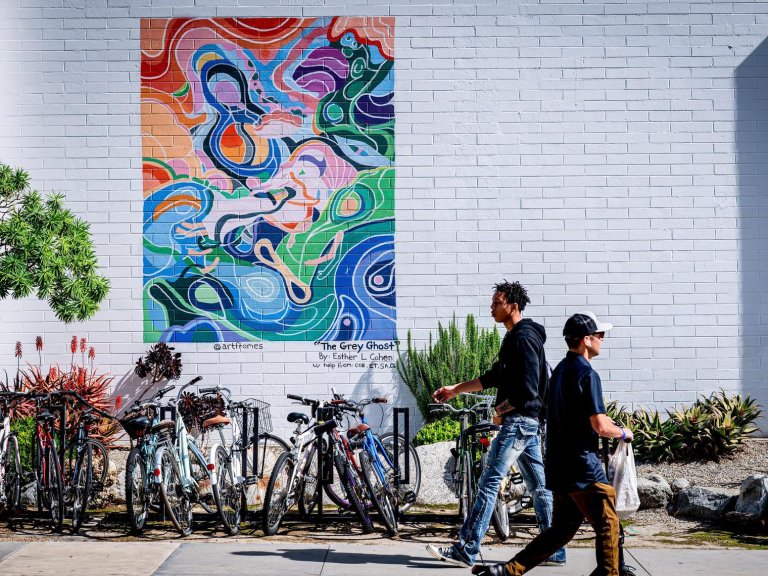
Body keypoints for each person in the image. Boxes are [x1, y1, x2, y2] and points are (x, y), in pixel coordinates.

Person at [472, 311, 634, 576]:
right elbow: (600, 425)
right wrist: (623, 433)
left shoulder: (558, 371)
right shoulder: (587, 375)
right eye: (599, 335)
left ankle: (506, 571)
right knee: (608, 525)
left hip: (559, 468)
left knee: (559, 532)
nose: (602, 340)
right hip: (584, 467)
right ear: (586, 340)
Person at [426, 281, 566, 569]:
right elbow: (494, 377)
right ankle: (554, 549)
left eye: (496, 303)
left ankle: (466, 548)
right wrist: (456, 389)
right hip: (527, 423)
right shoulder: (514, 338)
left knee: (489, 481)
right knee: (539, 486)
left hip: (519, 422)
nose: (491, 308)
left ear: (513, 306)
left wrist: (500, 412)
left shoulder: (523, 339)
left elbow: (526, 392)